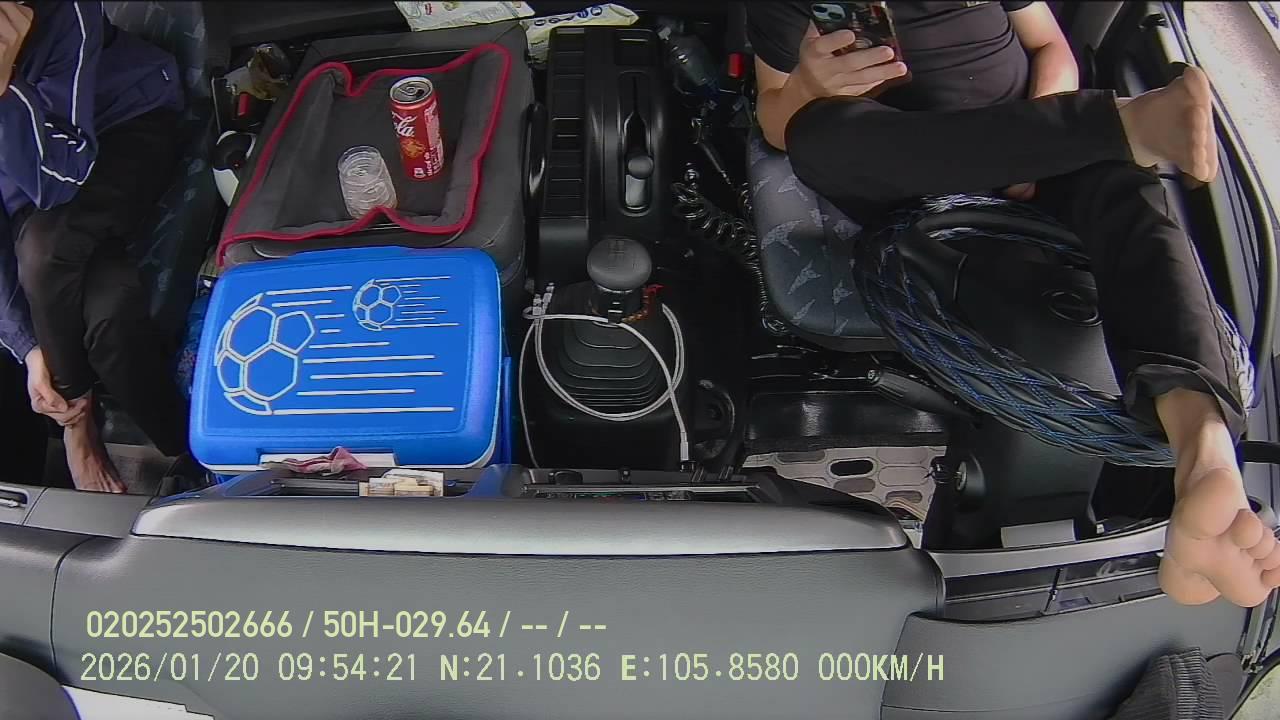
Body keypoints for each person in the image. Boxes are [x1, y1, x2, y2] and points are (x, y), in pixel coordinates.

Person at [748, 1, 1280, 608]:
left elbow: (1051, 47)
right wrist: (810, 85)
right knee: (817, 135)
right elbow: (775, 117)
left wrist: (1036, 138)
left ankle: (1205, 459)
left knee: (1127, 198)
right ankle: (1118, 127)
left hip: (1042, 141)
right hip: (909, 169)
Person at [0, 0, 188, 492]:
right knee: (111, 310)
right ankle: (183, 447)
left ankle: (78, 422)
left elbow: (60, 179)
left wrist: (3, 88)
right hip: (27, 190)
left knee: (45, 249)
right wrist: (29, 348)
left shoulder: (64, 13)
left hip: (122, 129)